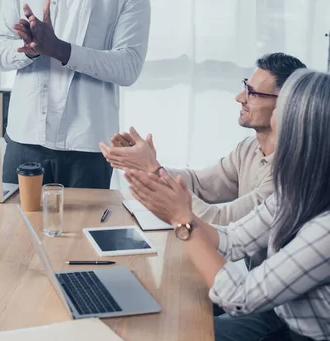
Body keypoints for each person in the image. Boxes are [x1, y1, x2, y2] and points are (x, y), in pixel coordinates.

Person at [120, 69, 330, 341]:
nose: (273, 122)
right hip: (281, 321)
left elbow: (240, 297)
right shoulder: (297, 193)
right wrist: (172, 204)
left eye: (281, 113)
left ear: (304, 132)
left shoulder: (324, 227)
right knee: (167, 326)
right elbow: (231, 239)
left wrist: (183, 220)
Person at [0, 0, 150, 189]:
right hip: (25, 140)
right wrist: (29, 52)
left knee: (81, 234)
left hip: (88, 147)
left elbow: (128, 67)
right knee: (13, 231)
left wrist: (61, 50)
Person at [101, 53, 306, 224]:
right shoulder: (249, 148)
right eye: (245, 86)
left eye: (252, 93)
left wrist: (152, 168)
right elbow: (198, 183)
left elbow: (221, 223)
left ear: (287, 104)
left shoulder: (290, 172)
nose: (239, 98)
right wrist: (145, 167)